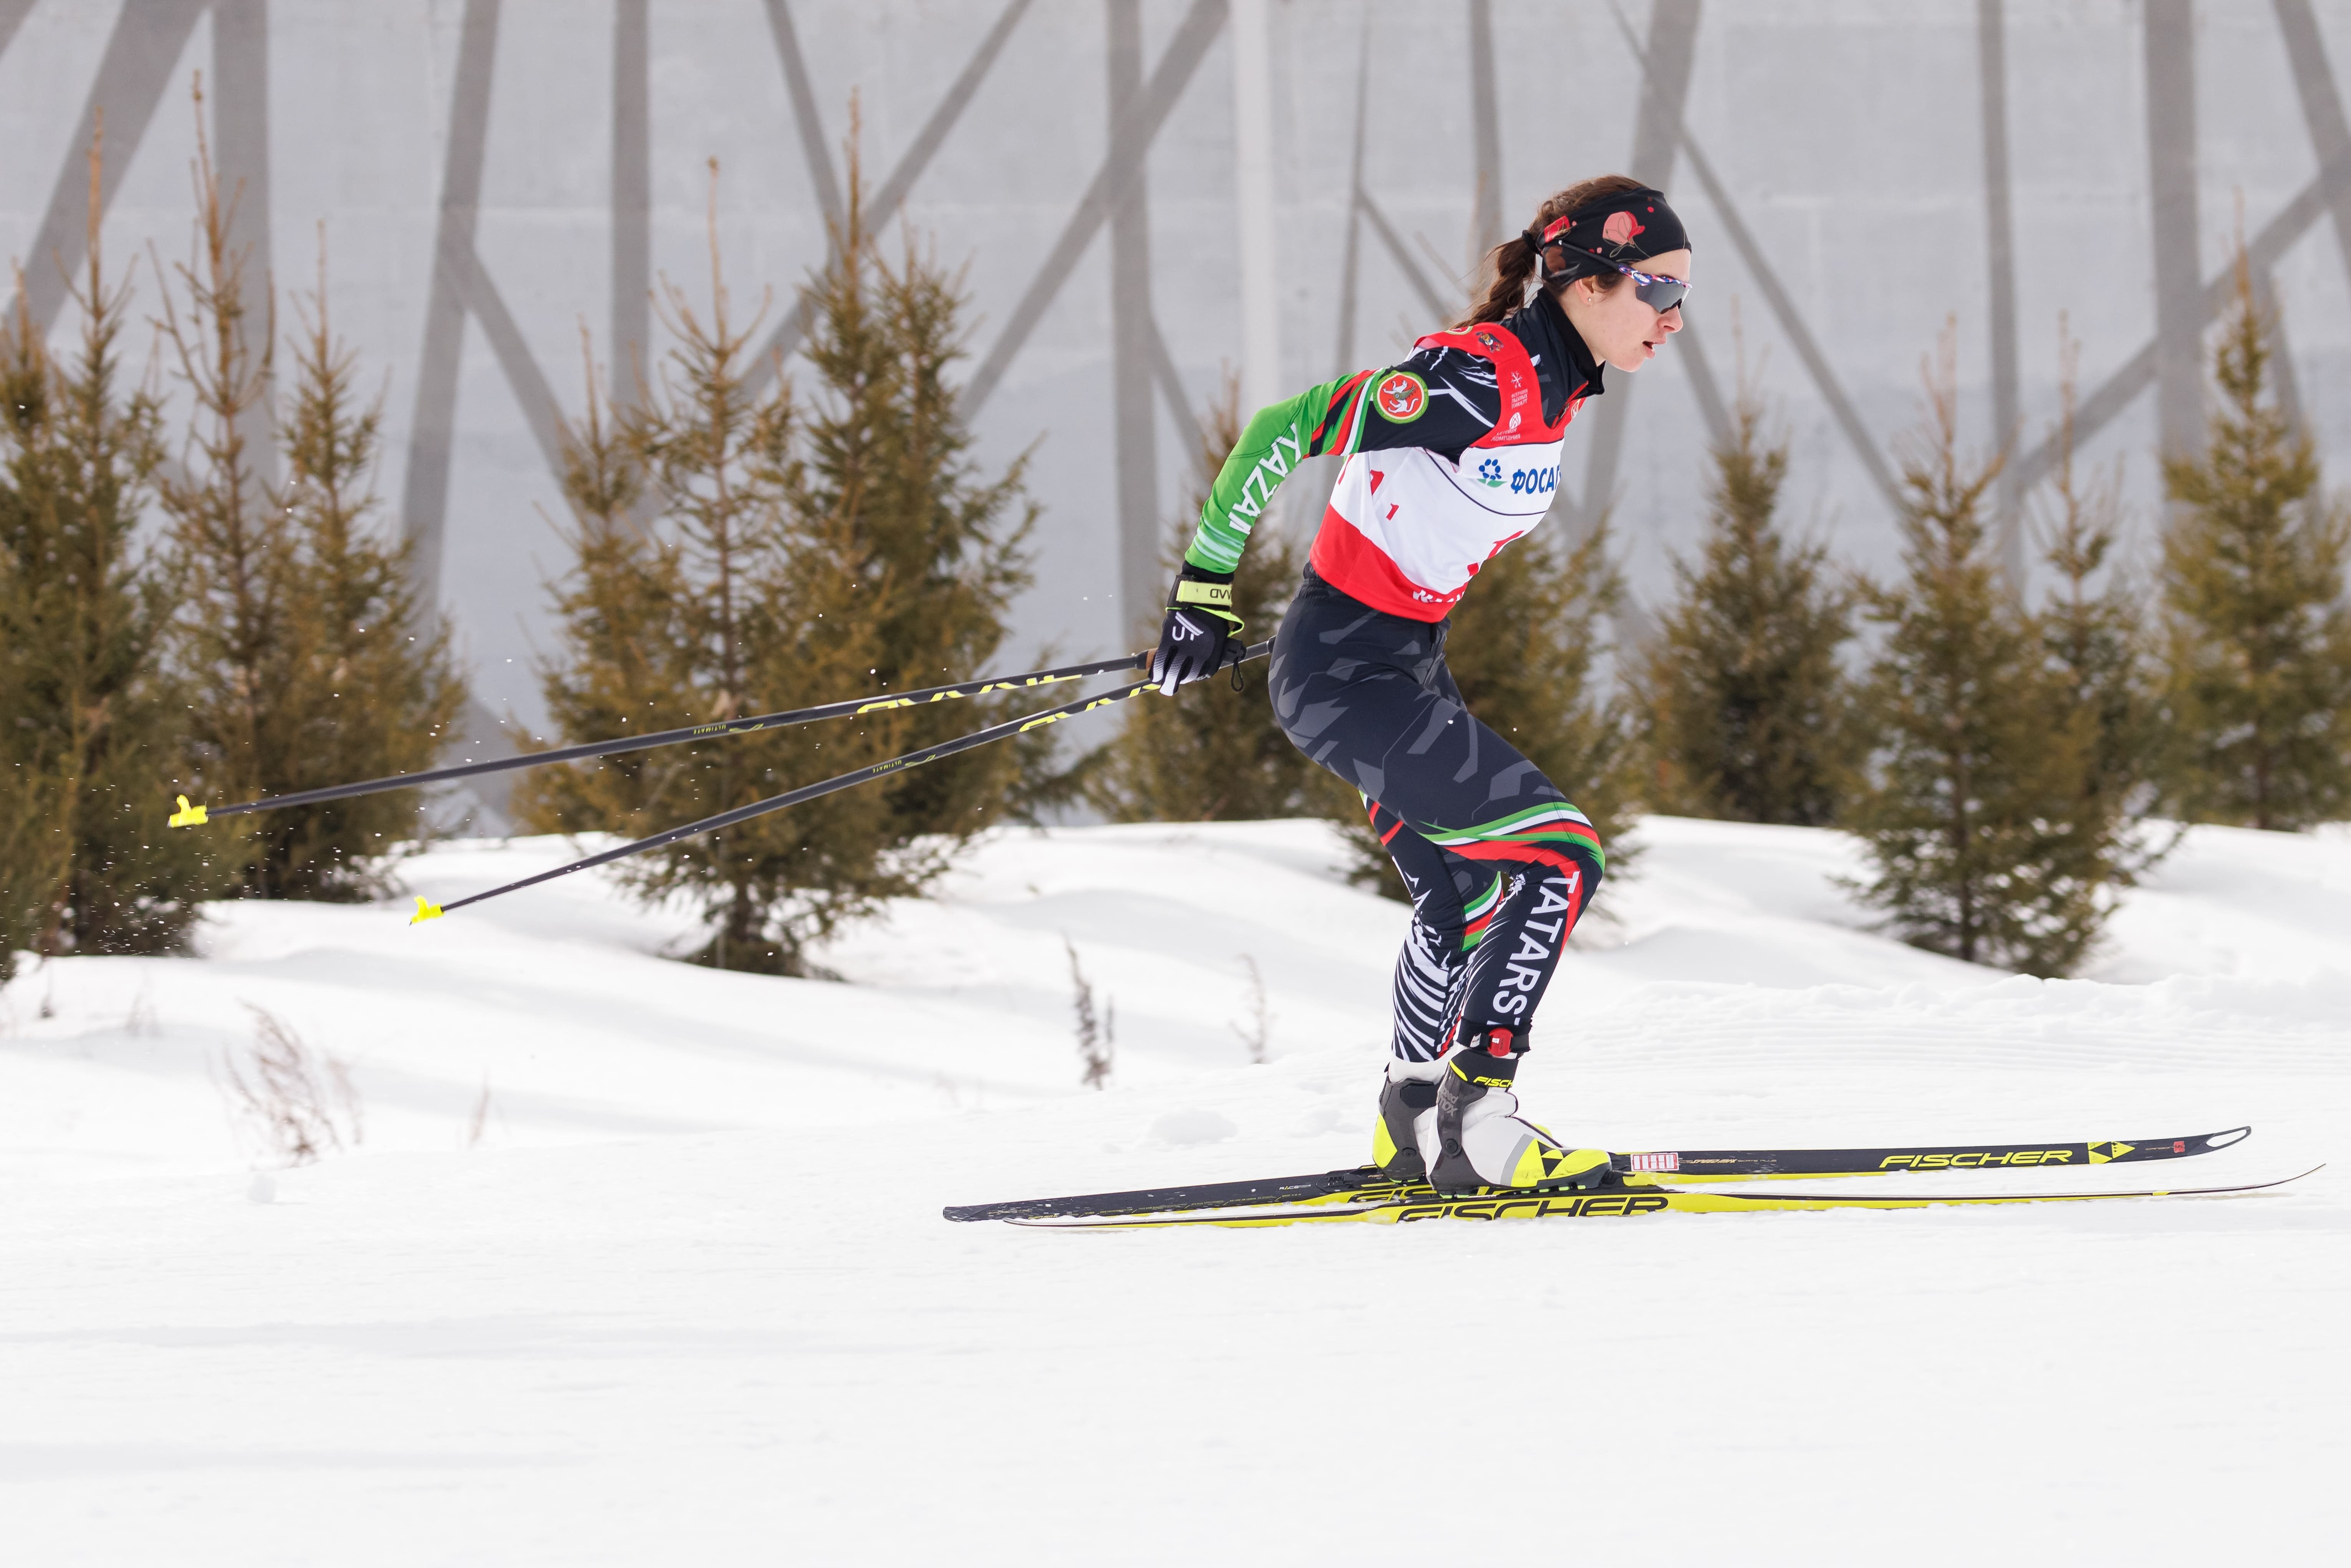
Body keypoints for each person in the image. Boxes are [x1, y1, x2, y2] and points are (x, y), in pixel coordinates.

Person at [1150, 176, 1691, 1193]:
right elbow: (1284, 428)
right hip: (1345, 673)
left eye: (1683, 297)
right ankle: (1479, 1117)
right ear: (1583, 277)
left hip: (1392, 662)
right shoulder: (1482, 374)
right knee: (1558, 856)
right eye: (1656, 288)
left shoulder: (1557, 382)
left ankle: (1410, 1117)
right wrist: (1202, 590)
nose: (1670, 317)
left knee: (1462, 893)